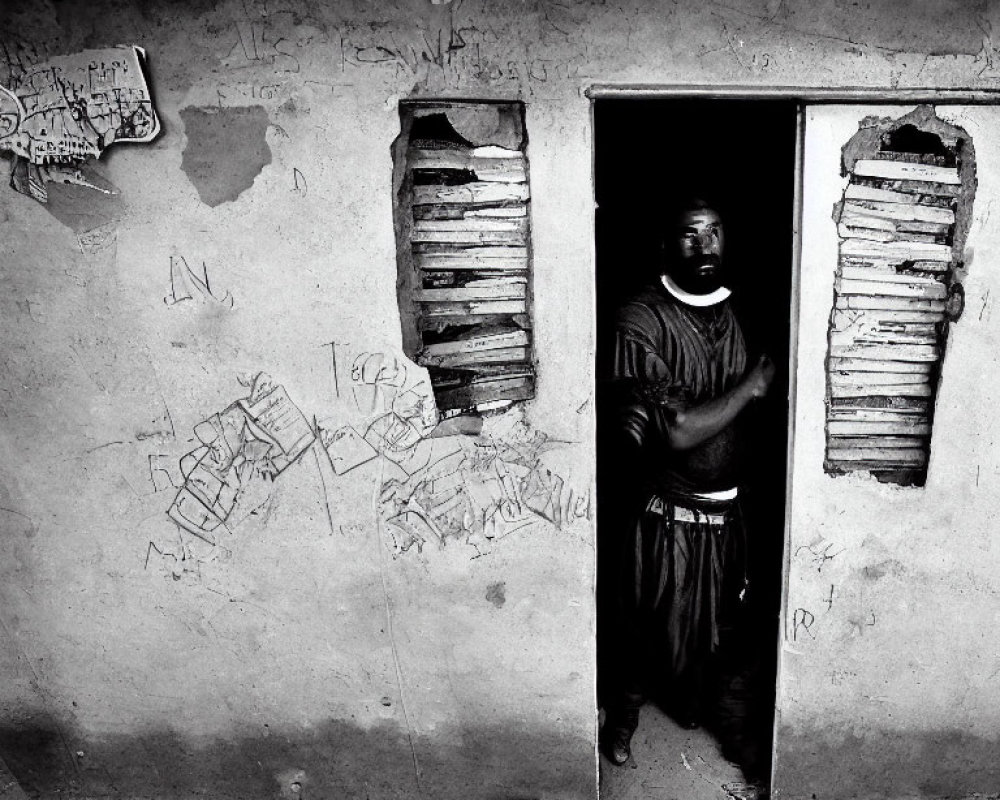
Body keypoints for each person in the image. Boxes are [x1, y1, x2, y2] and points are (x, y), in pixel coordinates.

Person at [600, 198, 775, 767]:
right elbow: (673, 431)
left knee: (727, 626)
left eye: (715, 233)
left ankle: (712, 712)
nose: (704, 246)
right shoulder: (641, 317)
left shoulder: (751, 311)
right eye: (689, 235)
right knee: (643, 624)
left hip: (732, 510)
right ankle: (621, 720)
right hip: (663, 511)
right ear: (665, 244)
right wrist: (749, 388)